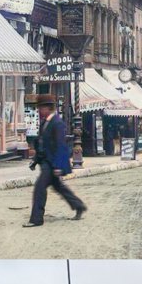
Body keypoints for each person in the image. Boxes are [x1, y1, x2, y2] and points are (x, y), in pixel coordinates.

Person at [24, 95, 87, 227]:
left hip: (52, 163)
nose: (39, 110)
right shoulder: (44, 122)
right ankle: (79, 205)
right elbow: (42, 144)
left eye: (41, 107)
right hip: (45, 161)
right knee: (59, 187)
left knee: (39, 188)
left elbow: (60, 146)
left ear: (48, 108)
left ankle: (36, 219)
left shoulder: (57, 123)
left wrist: (58, 166)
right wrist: (35, 160)